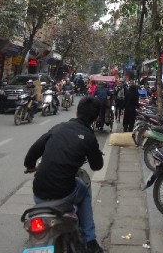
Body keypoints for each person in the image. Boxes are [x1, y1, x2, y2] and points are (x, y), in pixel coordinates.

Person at [24, 96, 104, 253]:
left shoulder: (58, 128)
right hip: (65, 193)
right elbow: (97, 165)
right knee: (85, 189)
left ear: (76, 111)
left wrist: (30, 166)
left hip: (38, 193)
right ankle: (90, 240)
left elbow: (32, 154)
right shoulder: (89, 137)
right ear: (95, 118)